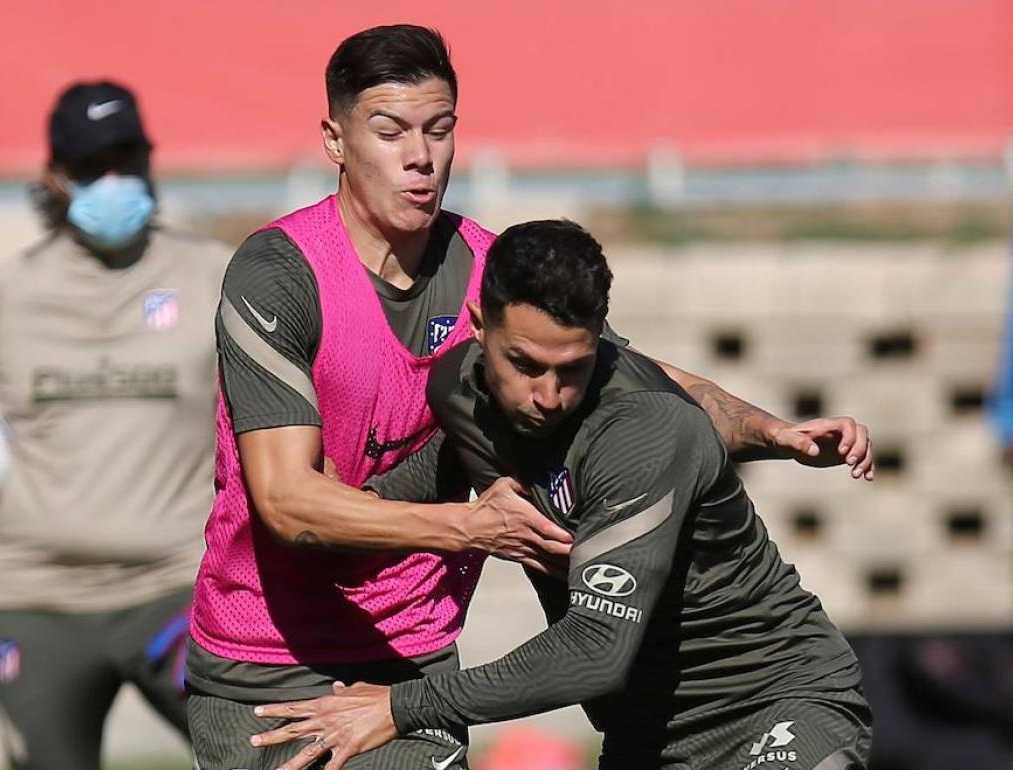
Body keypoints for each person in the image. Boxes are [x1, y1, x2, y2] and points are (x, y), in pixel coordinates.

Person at [189, 24, 873, 770]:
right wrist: (468, 528)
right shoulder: (286, 277)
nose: (421, 156)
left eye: (440, 130)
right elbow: (287, 501)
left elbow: (640, 376)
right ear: (335, 139)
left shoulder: (501, 280)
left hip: (416, 658)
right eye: (390, 132)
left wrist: (768, 429)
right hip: (266, 651)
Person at [249, 220, 874, 770]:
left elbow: (596, 651)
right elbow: (430, 485)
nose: (546, 396)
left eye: (571, 370)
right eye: (524, 365)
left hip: (771, 700)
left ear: (600, 340)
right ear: (477, 328)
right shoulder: (458, 392)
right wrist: (351, 505)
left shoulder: (643, 434)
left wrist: (400, 706)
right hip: (643, 733)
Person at [0, 80, 229, 770]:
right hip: (37, 603)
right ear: (56, 176)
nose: (113, 180)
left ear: (151, 160)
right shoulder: (5, 295)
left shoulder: (214, 279)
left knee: (269, 757)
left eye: (127, 159)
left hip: (180, 595)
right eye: (92, 166)